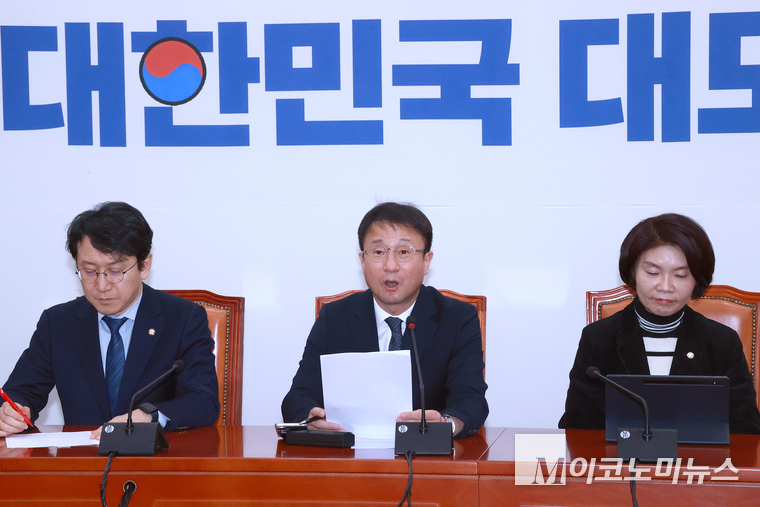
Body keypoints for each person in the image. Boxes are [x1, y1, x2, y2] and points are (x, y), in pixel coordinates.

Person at [0, 202, 219, 438]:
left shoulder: (183, 319)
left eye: (115, 271)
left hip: (154, 456)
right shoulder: (58, 324)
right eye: (89, 271)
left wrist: (149, 416)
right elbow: (20, 392)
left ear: (144, 265)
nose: (102, 286)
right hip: (82, 458)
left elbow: (203, 401)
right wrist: (10, 413)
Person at [281, 202, 488, 438]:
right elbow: (298, 397)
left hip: (426, 453)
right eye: (379, 252)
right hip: (351, 454)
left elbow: (471, 400)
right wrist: (311, 419)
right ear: (362, 261)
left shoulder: (457, 318)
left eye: (404, 252)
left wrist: (445, 424)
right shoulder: (334, 317)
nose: (390, 266)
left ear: (426, 261)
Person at [559, 213, 760, 434]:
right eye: (653, 272)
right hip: (621, 457)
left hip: (699, 457)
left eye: (681, 275)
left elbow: (746, 431)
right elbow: (579, 430)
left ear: (697, 280)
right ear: (633, 271)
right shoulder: (599, 339)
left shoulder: (722, 343)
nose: (665, 287)